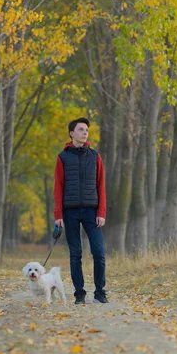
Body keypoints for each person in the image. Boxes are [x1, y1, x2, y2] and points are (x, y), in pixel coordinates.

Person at [54, 117, 108, 304]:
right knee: (75, 254)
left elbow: (101, 185)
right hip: (70, 212)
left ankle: (100, 292)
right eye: (81, 129)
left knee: (99, 252)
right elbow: (58, 187)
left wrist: (101, 212)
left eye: (86, 130)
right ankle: (79, 294)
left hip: (92, 212)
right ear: (72, 133)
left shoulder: (95, 156)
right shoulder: (63, 157)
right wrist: (58, 215)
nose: (85, 132)